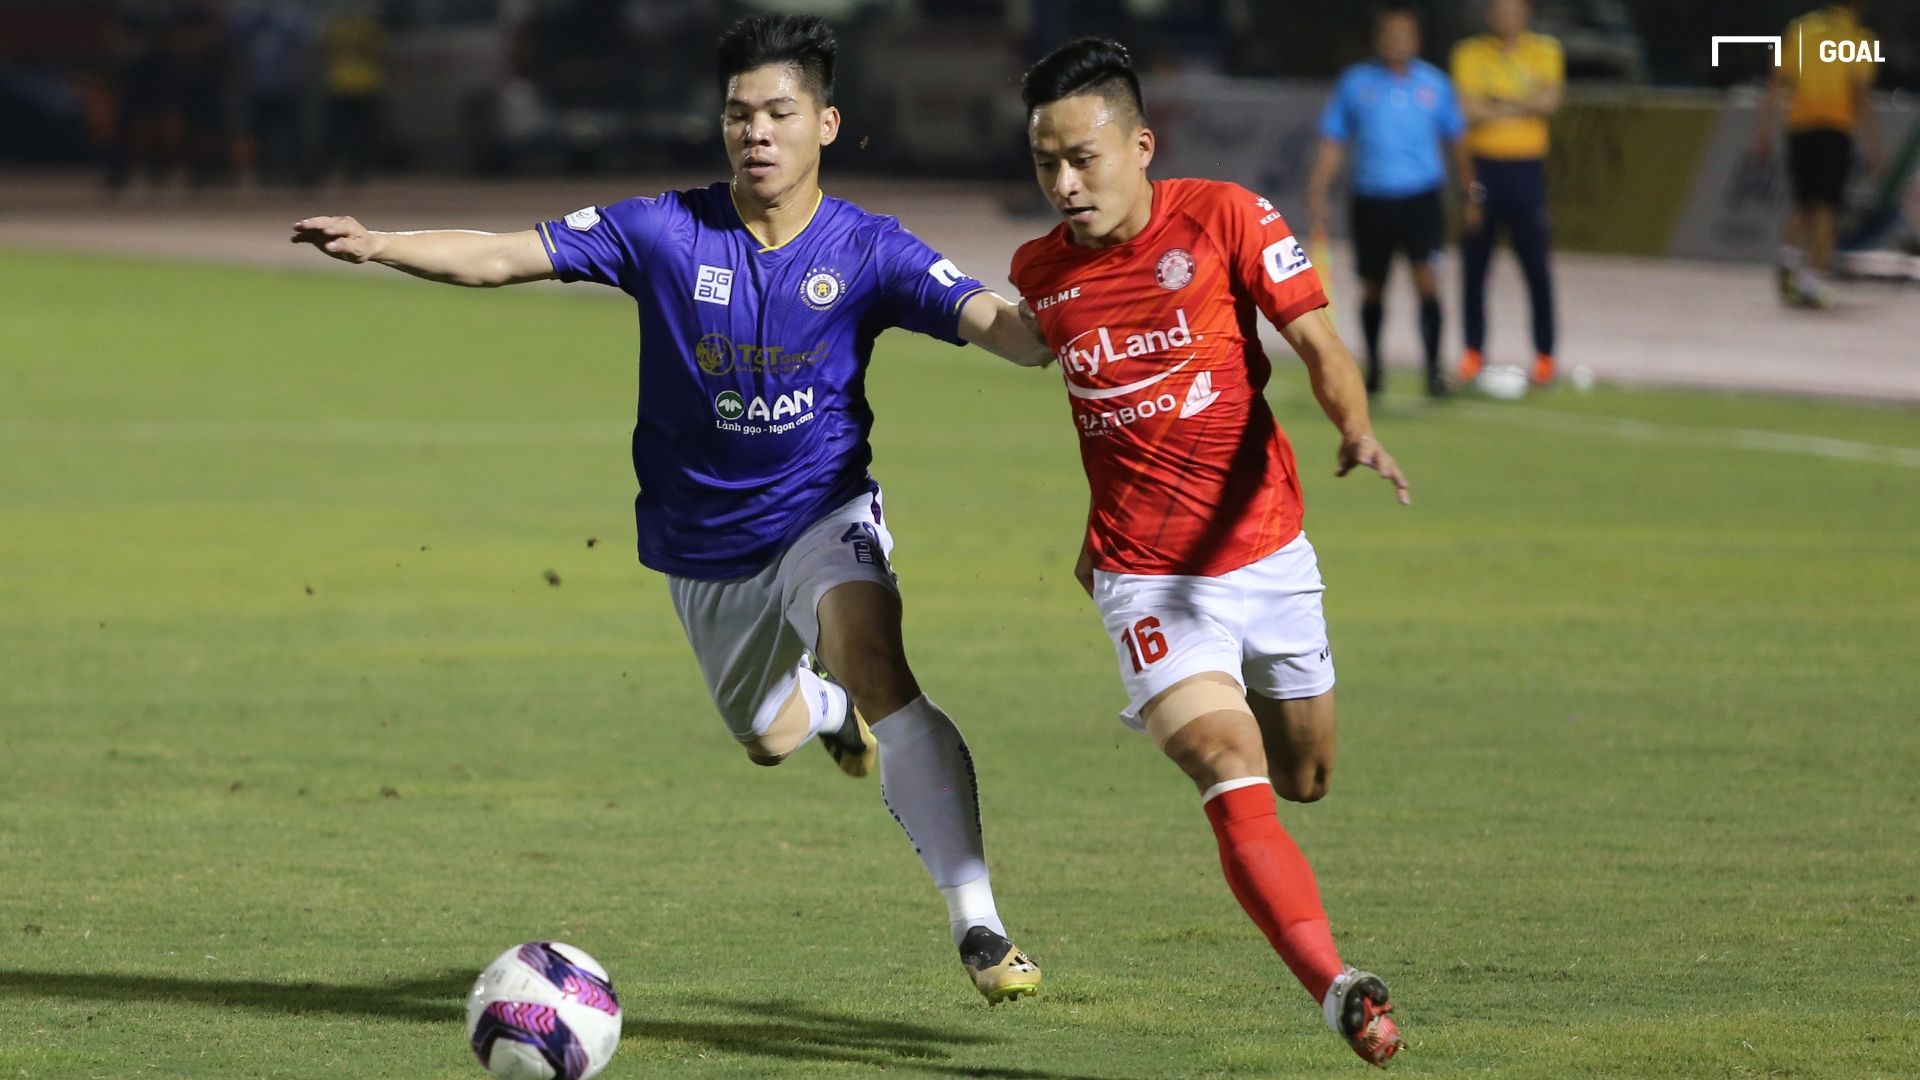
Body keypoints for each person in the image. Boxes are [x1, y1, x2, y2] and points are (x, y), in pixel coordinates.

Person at [291, 13, 1049, 1004]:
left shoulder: (869, 248)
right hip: (703, 552)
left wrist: (1072, 309)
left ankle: (980, 926)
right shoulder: (662, 229)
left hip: (824, 512)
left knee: (879, 662)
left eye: (779, 113)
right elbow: (502, 255)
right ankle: (820, 710)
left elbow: (1008, 332)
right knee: (767, 736)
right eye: (740, 114)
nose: (756, 133)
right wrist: (379, 242)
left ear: (826, 123)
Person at [1011, 37, 1409, 1067]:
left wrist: (1356, 428)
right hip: (1145, 579)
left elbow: (1318, 342)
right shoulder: (1041, 272)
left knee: (1305, 778)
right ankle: (1337, 988)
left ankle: (1286, 861)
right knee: (1224, 764)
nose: (1063, 182)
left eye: (1083, 157)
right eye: (1045, 162)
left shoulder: (1226, 216)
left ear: (1141, 144)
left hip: (1269, 554)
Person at [1307, 4, 1470, 398]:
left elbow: (1457, 142)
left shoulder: (1435, 85)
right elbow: (1334, 139)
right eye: (1389, 34)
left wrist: (1470, 192)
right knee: (1372, 287)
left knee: (1427, 282)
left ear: (1416, 40)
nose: (1397, 42)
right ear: (1379, 39)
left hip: (1421, 199)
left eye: (1404, 34)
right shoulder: (1356, 83)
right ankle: (1376, 368)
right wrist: (1318, 190)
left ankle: (1433, 371)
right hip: (1372, 199)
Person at [1449, 0, 1562, 388]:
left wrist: (1494, 101)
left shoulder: (1545, 51)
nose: (1506, 16)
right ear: (1487, 14)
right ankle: (1472, 353)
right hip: (1482, 171)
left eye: (1513, 9)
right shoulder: (1468, 53)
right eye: (1498, 9)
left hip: (1527, 172)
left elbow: (1549, 102)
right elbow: (1466, 109)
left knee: (1536, 269)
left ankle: (1545, 356)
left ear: (1527, 13)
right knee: (1475, 267)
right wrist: (1521, 103)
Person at [1752, 1, 1883, 309]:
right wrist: (1875, 145)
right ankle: (1811, 280)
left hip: (1800, 128)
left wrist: (1764, 132)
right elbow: (1860, 94)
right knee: (1827, 207)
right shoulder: (1859, 38)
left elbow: (1776, 82)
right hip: (1835, 129)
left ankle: (1788, 260)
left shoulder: (1802, 29)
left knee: (1803, 204)